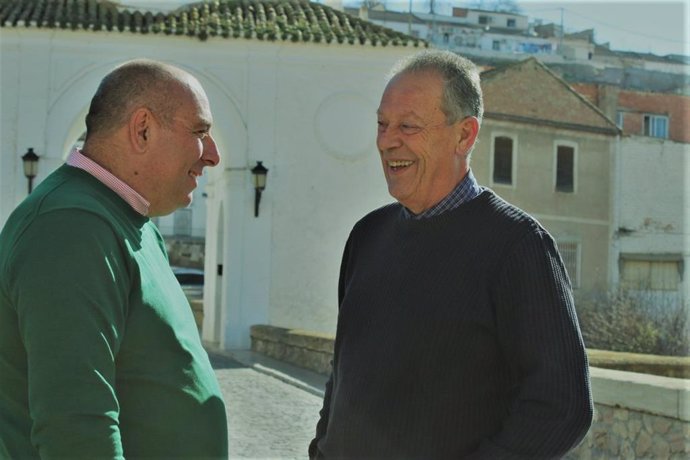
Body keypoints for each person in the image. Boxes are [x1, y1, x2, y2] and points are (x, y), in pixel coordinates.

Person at [309, 50, 593, 459]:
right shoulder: (366, 236)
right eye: (382, 124)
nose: (388, 141)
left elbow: (563, 405)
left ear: (465, 135)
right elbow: (344, 373)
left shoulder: (519, 247)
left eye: (408, 126)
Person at [0, 59, 227, 458]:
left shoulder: (125, 217)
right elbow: (75, 427)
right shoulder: (70, 226)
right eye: (200, 132)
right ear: (142, 129)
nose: (213, 155)